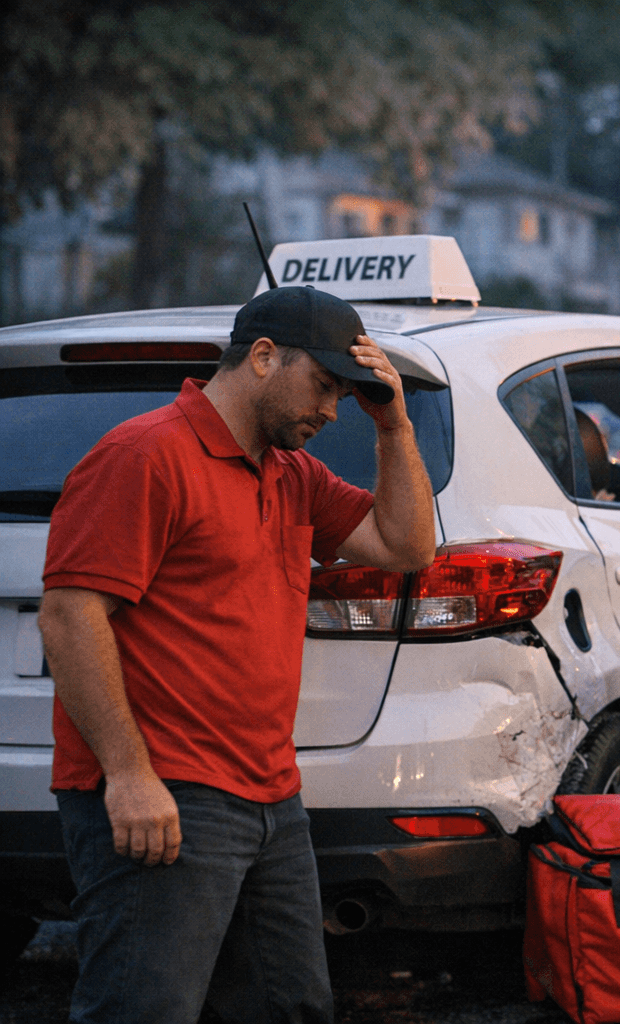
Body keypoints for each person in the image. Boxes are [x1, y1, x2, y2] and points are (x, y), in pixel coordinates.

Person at [37, 286, 437, 1024]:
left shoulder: (292, 473)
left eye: (343, 394)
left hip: (270, 797)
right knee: (142, 1010)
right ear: (262, 357)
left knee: (291, 1007)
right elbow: (68, 615)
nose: (332, 410)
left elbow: (406, 546)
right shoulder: (145, 454)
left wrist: (394, 426)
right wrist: (129, 776)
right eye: (323, 385)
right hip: (167, 792)